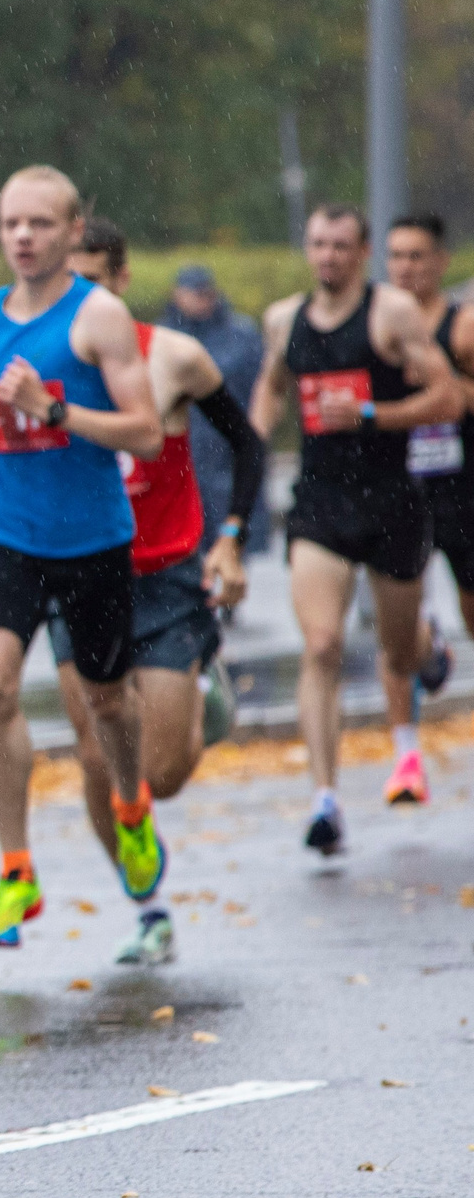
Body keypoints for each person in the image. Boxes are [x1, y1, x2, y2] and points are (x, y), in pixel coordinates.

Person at [0, 166, 168, 947]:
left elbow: (146, 430)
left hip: (92, 540)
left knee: (108, 702)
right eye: (11, 223)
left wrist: (58, 410)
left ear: (74, 232)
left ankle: (131, 803)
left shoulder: (100, 317)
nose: (22, 237)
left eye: (40, 224)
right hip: (8, 532)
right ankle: (16, 868)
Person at [56, 219, 269, 964]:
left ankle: (201, 692)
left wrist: (231, 536)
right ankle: (146, 908)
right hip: (77, 570)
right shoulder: (34, 361)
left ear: (120, 278)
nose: (76, 299)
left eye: (89, 281)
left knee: (165, 773)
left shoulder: (172, 356)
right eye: (63, 283)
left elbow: (248, 442)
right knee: (94, 752)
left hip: (166, 575)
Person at [252, 204, 464, 848]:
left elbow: (448, 397)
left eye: (341, 246)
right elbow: (271, 388)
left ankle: (429, 652)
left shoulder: (389, 314)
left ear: (363, 252)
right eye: (318, 244)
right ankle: (324, 800)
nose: (327, 257)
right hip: (319, 503)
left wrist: (371, 412)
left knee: (398, 652)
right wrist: (249, 451)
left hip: (392, 501)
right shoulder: (283, 319)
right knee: (321, 645)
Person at [381, 214, 474, 655]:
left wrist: (444, 387)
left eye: (416, 256)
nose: (405, 267)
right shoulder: (377, 325)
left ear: (441, 261)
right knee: (395, 623)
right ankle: (404, 724)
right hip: (394, 482)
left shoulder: (463, 326)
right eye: (396, 256)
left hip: (461, 482)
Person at [162, 264, 272, 558]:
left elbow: (263, 390)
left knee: (229, 542)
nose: (201, 300)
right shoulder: (164, 336)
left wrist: (255, 437)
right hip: (181, 452)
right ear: (177, 295)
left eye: (205, 293)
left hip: (227, 447)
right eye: (193, 293)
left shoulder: (241, 334)